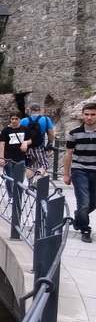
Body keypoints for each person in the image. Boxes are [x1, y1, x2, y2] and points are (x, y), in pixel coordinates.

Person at [63, 102, 96, 243]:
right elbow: (68, 154)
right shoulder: (74, 133)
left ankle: (78, 217)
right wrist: (66, 174)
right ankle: (85, 229)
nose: (89, 117)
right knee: (83, 202)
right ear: (82, 115)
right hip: (79, 170)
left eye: (93, 115)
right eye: (87, 114)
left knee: (92, 202)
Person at [0, 111, 33, 199]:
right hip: (8, 156)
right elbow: (2, 143)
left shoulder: (24, 129)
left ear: (20, 119)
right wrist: (1, 157)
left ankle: (17, 194)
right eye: (12, 119)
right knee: (10, 176)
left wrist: (25, 142)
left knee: (20, 177)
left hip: (21, 156)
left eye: (16, 119)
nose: (14, 121)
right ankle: (11, 195)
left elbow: (30, 140)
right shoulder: (6, 130)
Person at [20, 102, 55, 179]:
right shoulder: (46, 120)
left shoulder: (24, 121)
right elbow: (51, 134)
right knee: (44, 165)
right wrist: (49, 144)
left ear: (30, 110)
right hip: (40, 147)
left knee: (30, 165)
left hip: (27, 147)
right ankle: (38, 178)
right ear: (40, 110)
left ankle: (30, 185)